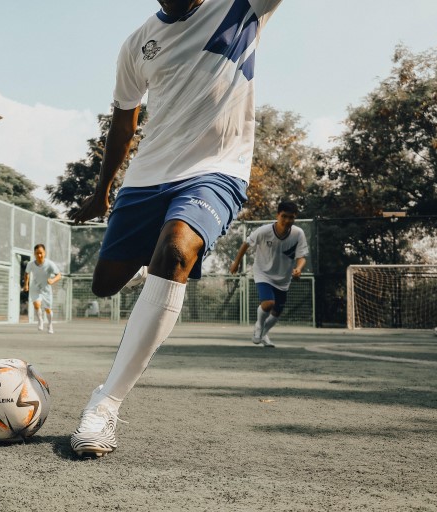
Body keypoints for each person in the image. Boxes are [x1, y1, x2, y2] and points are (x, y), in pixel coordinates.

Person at [68, 0, 283, 457]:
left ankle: (104, 405)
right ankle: (163, 265)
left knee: (176, 252)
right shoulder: (136, 45)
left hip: (216, 170)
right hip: (146, 177)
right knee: (105, 284)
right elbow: (124, 121)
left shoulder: (244, 7)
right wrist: (103, 188)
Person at [229, 201, 308, 348]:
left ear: (295, 217)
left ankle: (264, 334)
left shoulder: (298, 234)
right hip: (263, 273)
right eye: (284, 216)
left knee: (277, 312)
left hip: (283, 278)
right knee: (268, 303)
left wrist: (299, 268)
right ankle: (259, 326)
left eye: (291, 217)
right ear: (277, 215)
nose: (287, 221)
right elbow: (246, 244)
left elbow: (301, 256)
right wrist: (236, 263)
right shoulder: (264, 231)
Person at [22, 244, 62, 334]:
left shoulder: (50, 264)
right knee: (36, 305)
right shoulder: (30, 264)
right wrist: (26, 285)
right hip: (35, 287)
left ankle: (50, 324)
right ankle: (40, 320)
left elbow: (59, 275)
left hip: (46, 289)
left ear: (45, 253)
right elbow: (26, 273)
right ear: (34, 254)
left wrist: (53, 280)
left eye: (41, 253)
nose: (39, 255)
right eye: (37, 253)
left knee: (48, 309)